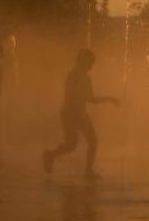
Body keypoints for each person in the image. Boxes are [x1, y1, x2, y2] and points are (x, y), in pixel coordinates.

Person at [43, 49, 120, 179]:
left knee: (74, 144)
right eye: (90, 63)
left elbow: (88, 98)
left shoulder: (77, 76)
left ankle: (51, 156)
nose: (92, 66)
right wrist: (109, 99)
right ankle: (85, 170)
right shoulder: (77, 77)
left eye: (92, 63)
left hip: (72, 112)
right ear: (83, 61)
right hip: (73, 113)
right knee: (82, 143)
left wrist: (107, 99)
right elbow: (90, 98)